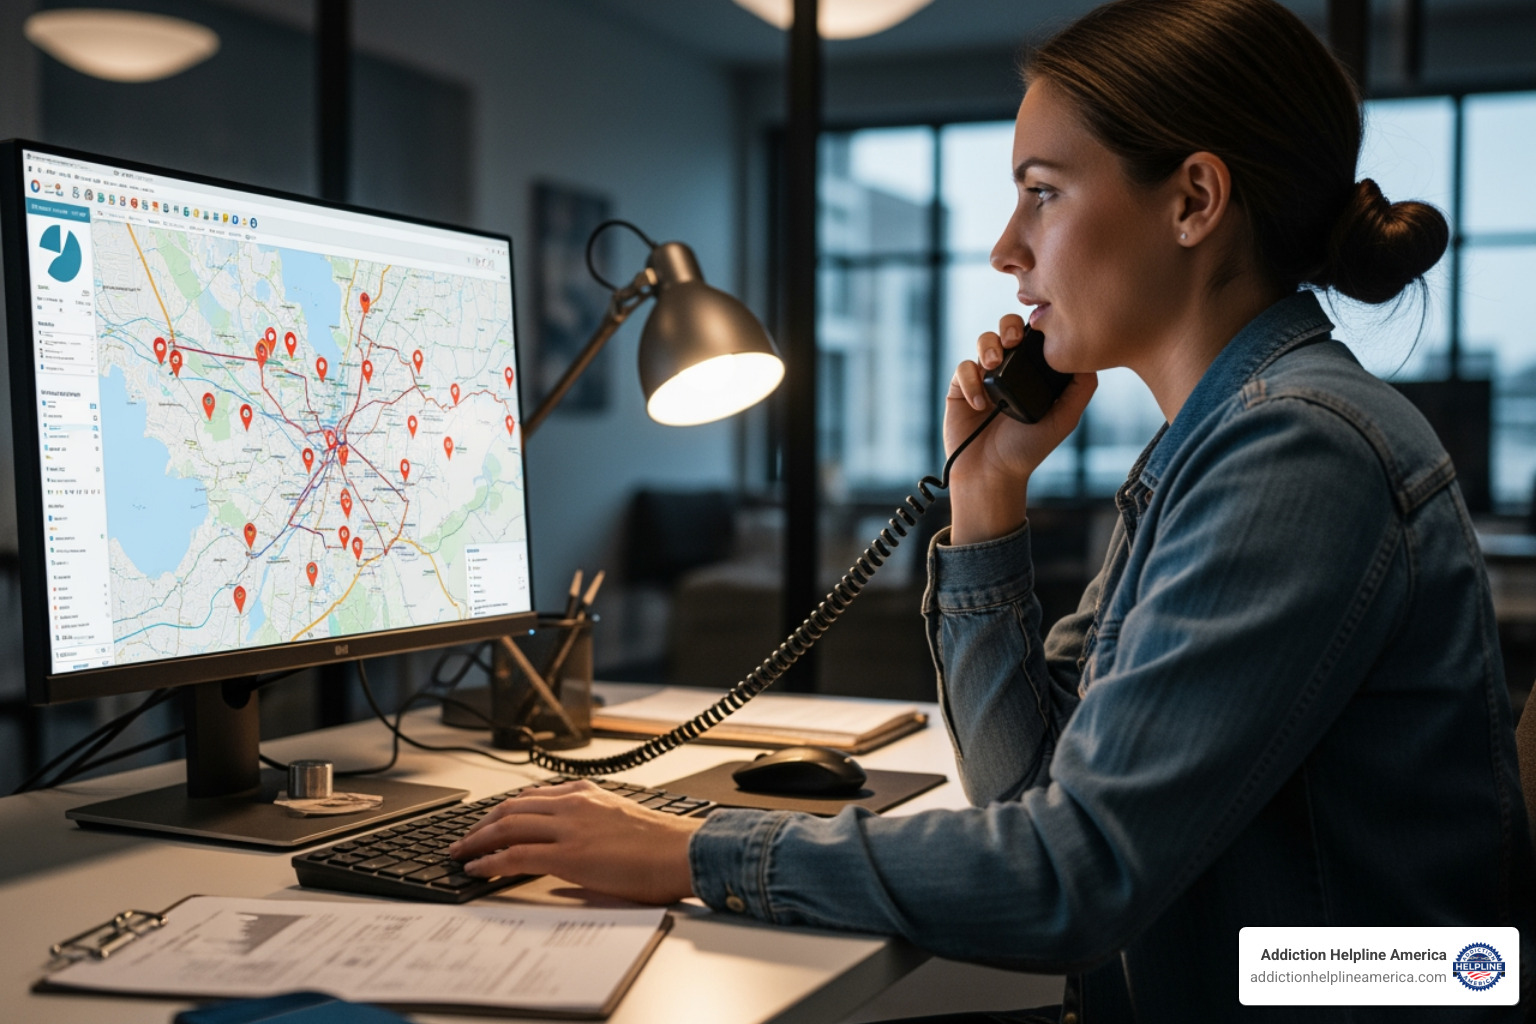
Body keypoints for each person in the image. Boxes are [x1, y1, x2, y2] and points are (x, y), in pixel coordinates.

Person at [450, 0, 1534, 1018]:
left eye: (1043, 191)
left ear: (1195, 201)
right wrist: (985, 493)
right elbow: (1028, 789)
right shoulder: (1214, 440)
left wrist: (688, 851)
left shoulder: (1296, 451)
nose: (1004, 249)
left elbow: (1073, 876)